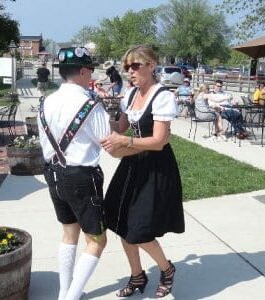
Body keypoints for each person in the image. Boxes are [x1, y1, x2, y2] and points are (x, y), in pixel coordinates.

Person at [101, 45, 183, 298]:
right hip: (132, 164)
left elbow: (159, 141)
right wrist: (98, 114)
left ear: (151, 65)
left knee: (140, 229)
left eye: (135, 66)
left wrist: (125, 142)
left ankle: (167, 269)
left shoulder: (163, 97)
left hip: (155, 166)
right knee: (120, 222)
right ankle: (137, 275)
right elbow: (122, 125)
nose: (130, 72)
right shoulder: (131, 94)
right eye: (127, 67)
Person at [38, 47, 110, 300]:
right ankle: (71, 297)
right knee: (97, 240)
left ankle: (63, 292)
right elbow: (107, 141)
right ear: (82, 71)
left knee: (69, 234)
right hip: (81, 177)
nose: (92, 73)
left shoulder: (46, 101)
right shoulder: (90, 103)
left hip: (53, 173)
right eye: (90, 69)